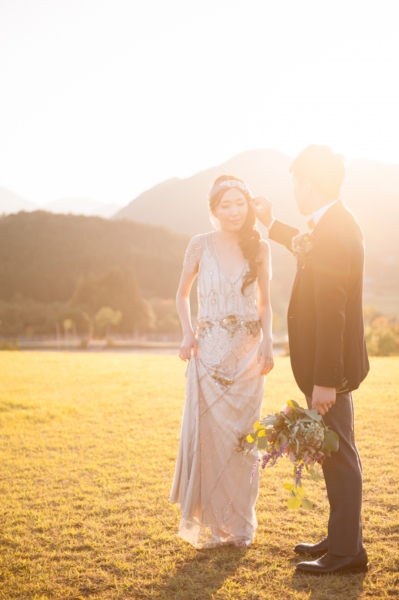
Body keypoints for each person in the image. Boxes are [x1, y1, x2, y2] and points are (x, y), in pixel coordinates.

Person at [252, 145, 370, 574]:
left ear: (308, 184)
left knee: (339, 455)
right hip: (330, 369)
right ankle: (343, 537)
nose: (293, 190)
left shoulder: (335, 232)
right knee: (336, 450)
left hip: (330, 371)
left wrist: (325, 381)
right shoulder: (331, 224)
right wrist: (271, 223)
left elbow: (333, 314)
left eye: (295, 182)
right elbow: (307, 247)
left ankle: (346, 554)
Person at [170, 174, 273, 549]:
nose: (233, 211)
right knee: (210, 444)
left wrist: (269, 341)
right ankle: (217, 527)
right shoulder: (199, 245)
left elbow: (265, 303)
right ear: (213, 210)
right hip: (208, 356)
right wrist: (187, 333)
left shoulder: (259, 248)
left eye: (239, 203)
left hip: (249, 358)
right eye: (225, 205)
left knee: (244, 442)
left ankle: (242, 526)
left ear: (249, 206)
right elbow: (181, 295)